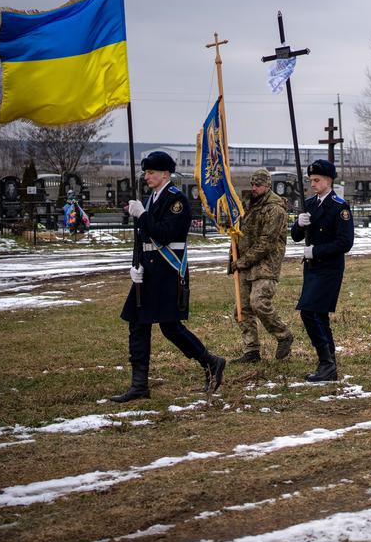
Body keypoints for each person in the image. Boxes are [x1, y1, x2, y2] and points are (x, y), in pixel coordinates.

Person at [111, 151, 225, 402]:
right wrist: (136, 265)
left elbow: (164, 234)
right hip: (149, 272)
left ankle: (211, 362)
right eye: (146, 172)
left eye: (151, 172)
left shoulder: (177, 201)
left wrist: (142, 215)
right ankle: (139, 385)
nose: (147, 177)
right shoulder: (151, 199)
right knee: (138, 323)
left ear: (165, 174)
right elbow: (144, 239)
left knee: (170, 327)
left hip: (168, 273)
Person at [290, 160, 355, 382]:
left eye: (317, 180)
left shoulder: (339, 207)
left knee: (308, 311)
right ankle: (330, 363)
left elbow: (345, 243)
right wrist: (299, 223)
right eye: (311, 181)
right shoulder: (309, 204)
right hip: (312, 269)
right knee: (319, 315)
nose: (313, 184)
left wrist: (315, 251)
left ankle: (325, 362)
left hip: (329, 268)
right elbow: (296, 236)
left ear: (329, 181)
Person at [230, 168, 294, 364]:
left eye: (258, 185)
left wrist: (242, 261)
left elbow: (266, 242)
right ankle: (251, 350)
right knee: (242, 309)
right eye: (252, 184)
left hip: (265, 265)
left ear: (268, 186)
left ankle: (283, 335)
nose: (254, 188)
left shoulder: (276, 209)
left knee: (259, 303)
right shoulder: (247, 205)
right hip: (245, 265)